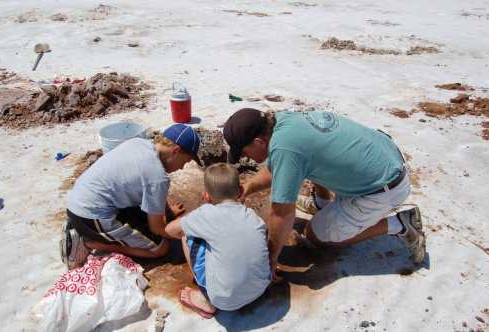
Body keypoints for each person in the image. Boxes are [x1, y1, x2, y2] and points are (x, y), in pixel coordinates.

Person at [223, 108, 426, 280]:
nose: (243, 157)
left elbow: (282, 214)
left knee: (315, 236)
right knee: (312, 159)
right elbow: (279, 165)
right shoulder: (282, 122)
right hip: (382, 158)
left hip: (381, 187)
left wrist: (271, 257)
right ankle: (322, 203)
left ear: (259, 142)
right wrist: (248, 188)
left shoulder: (285, 148)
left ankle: (400, 224)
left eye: (243, 152)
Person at [61, 124, 202, 270]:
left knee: (152, 219)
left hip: (79, 200)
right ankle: (89, 242)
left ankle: (89, 232)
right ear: (176, 151)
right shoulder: (157, 177)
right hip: (89, 216)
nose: (182, 167)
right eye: (185, 162)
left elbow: (151, 191)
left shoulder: (139, 143)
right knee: (161, 248)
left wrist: (166, 212)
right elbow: (157, 228)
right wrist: (185, 233)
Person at [165, 163, 271, 318]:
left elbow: (170, 230)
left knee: (186, 235)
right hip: (261, 287)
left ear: (206, 196)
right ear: (241, 191)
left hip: (224, 300)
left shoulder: (206, 214)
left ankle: (206, 299)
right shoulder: (252, 216)